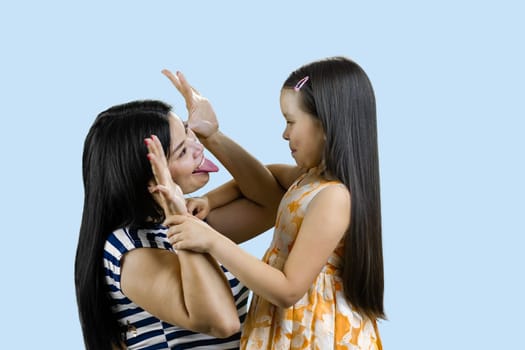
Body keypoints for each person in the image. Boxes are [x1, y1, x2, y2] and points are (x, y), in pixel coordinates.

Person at [160, 57, 385, 349]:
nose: (285, 133)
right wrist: (210, 195)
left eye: (291, 121)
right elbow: (270, 176)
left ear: (326, 124)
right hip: (291, 329)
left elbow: (289, 289)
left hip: (317, 336)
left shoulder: (334, 198)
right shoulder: (310, 178)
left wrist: (212, 241)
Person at [74, 70, 283, 349]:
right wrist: (177, 216)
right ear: (150, 181)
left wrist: (214, 136)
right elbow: (222, 322)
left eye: (189, 131)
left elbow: (270, 203)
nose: (197, 148)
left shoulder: (182, 222)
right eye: (183, 151)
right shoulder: (129, 252)